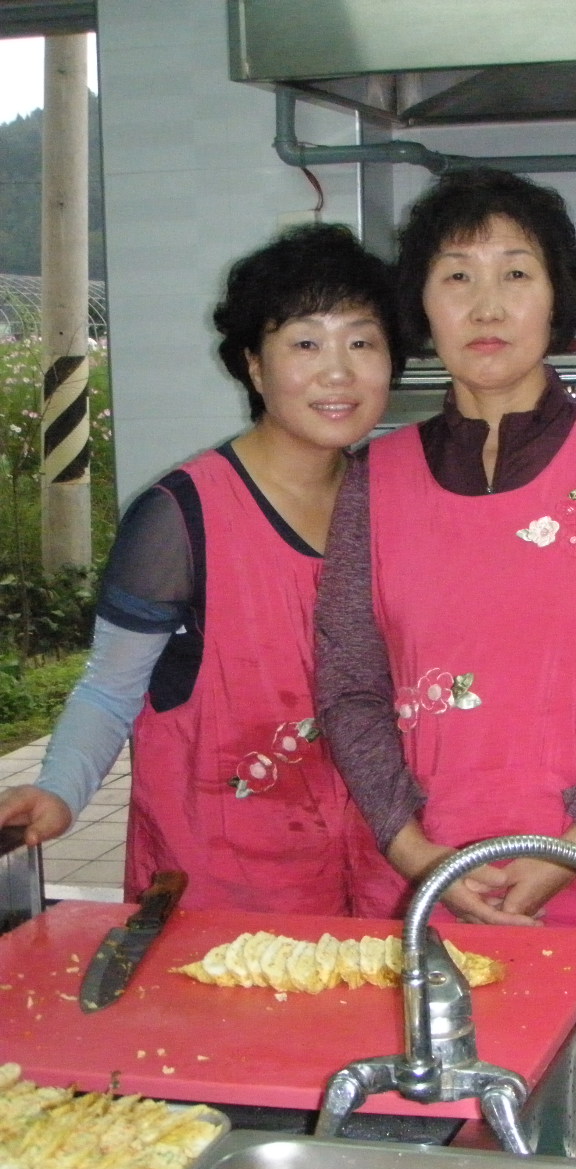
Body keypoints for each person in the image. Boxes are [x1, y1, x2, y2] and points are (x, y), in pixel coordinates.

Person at [316, 166, 576, 928]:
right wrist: (415, 854)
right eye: (457, 276)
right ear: (423, 303)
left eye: (516, 274)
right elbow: (349, 686)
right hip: (429, 880)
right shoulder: (373, 479)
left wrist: (574, 847)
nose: (487, 306)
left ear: (557, 297)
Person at [0, 223, 406, 915]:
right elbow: (110, 689)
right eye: (305, 343)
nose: (338, 372)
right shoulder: (180, 518)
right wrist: (60, 792)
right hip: (222, 894)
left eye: (362, 343)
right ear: (254, 366)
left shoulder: (397, 503)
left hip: (380, 878)